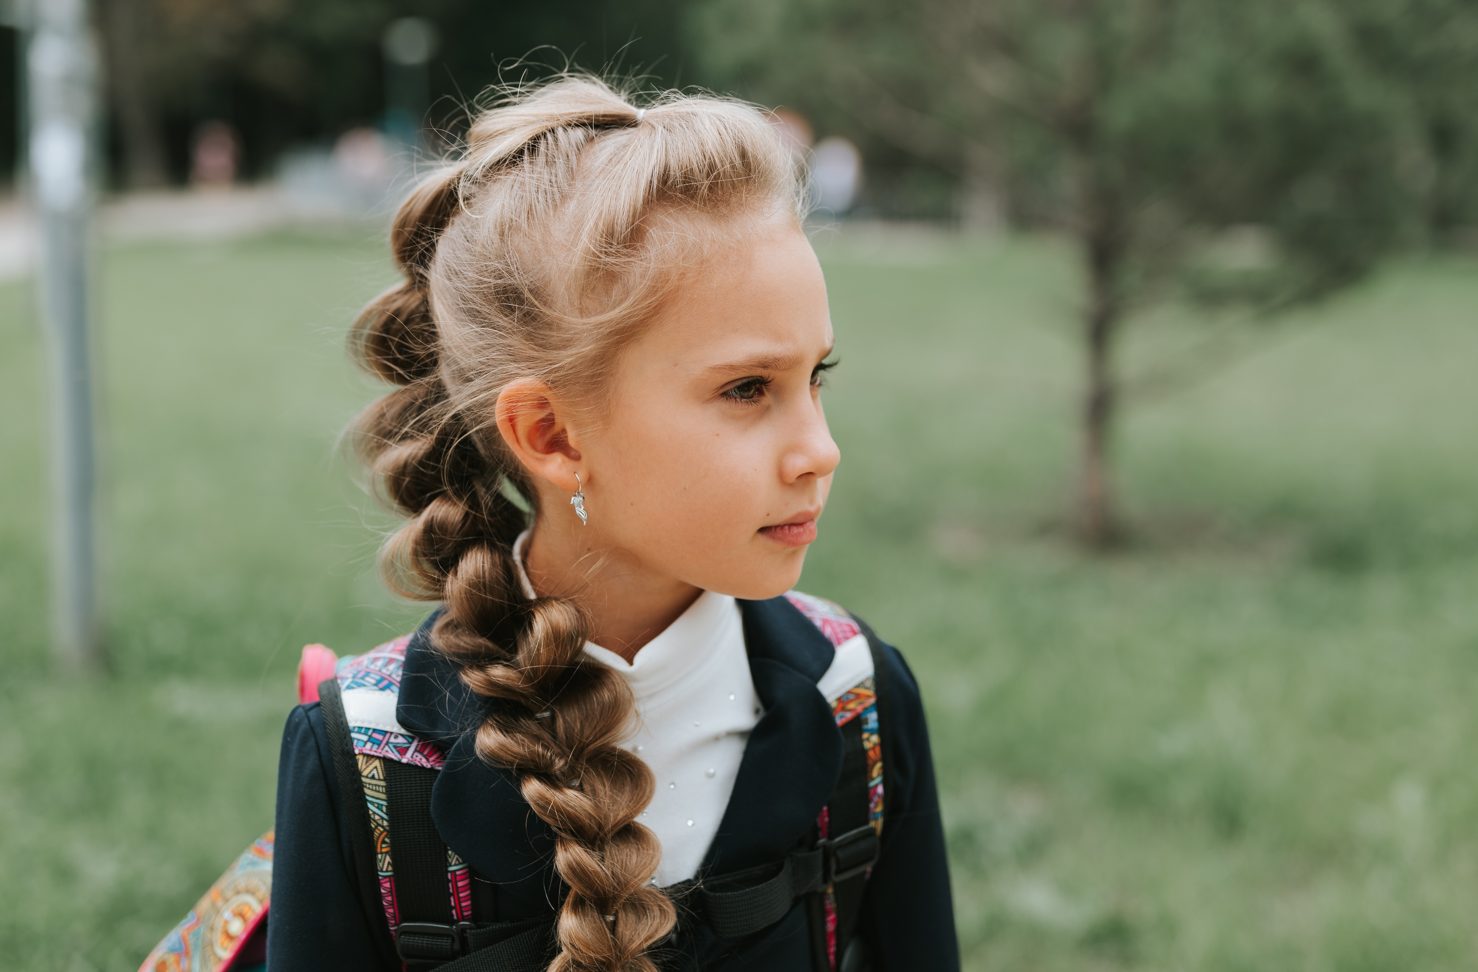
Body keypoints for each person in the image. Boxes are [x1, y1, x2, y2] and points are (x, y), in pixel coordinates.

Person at [267, 73, 959, 972]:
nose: (819, 451)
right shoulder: (365, 760)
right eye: (748, 388)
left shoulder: (859, 697)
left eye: (814, 377)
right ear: (551, 435)